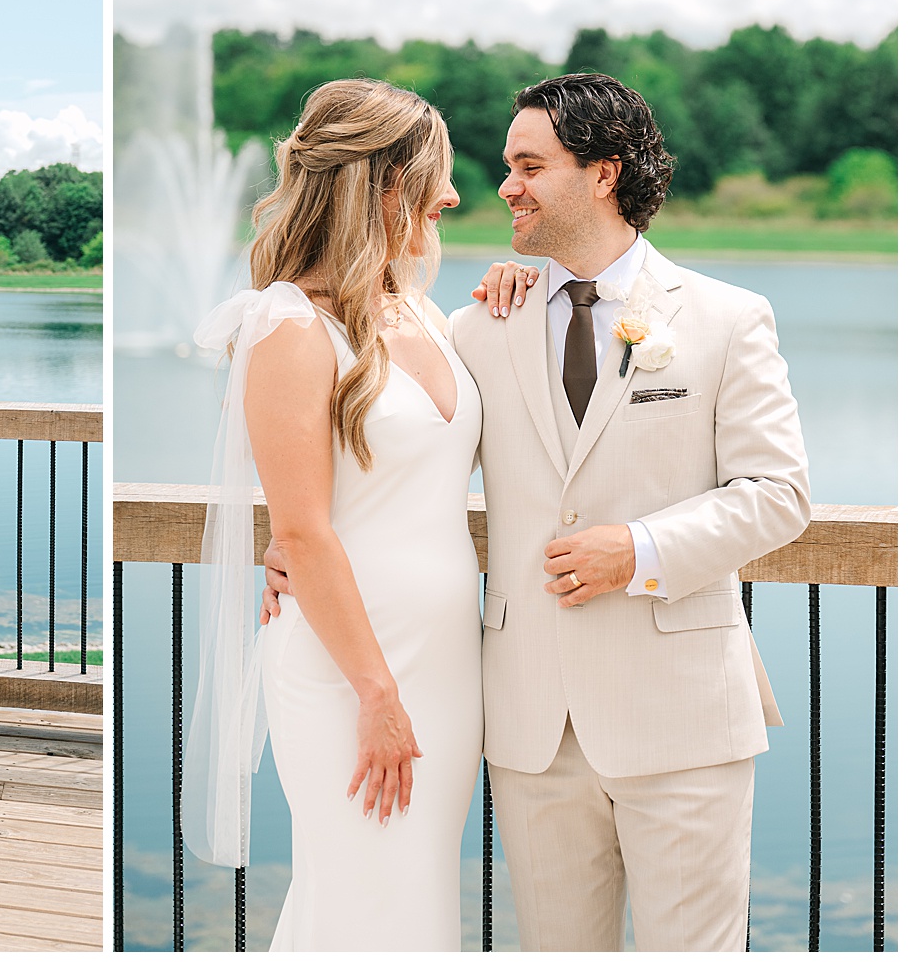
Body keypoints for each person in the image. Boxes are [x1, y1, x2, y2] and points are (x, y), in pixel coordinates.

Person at [267, 72, 810, 951]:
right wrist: (294, 547)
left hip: (682, 717)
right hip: (529, 729)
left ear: (603, 172)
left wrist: (637, 549)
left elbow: (780, 495)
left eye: (528, 164)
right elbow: (385, 453)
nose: (502, 186)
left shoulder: (727, 318)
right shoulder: (474, 329)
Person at [186, 78, 483, 950]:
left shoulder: (424, 309)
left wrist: (513, 282)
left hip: (447, 663)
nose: (454, 197)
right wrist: (376, 691)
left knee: (418, 895)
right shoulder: (288, 328)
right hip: (350, 670)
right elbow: (306, 532)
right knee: (362, 899)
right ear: (383, 185)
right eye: (436, 177)